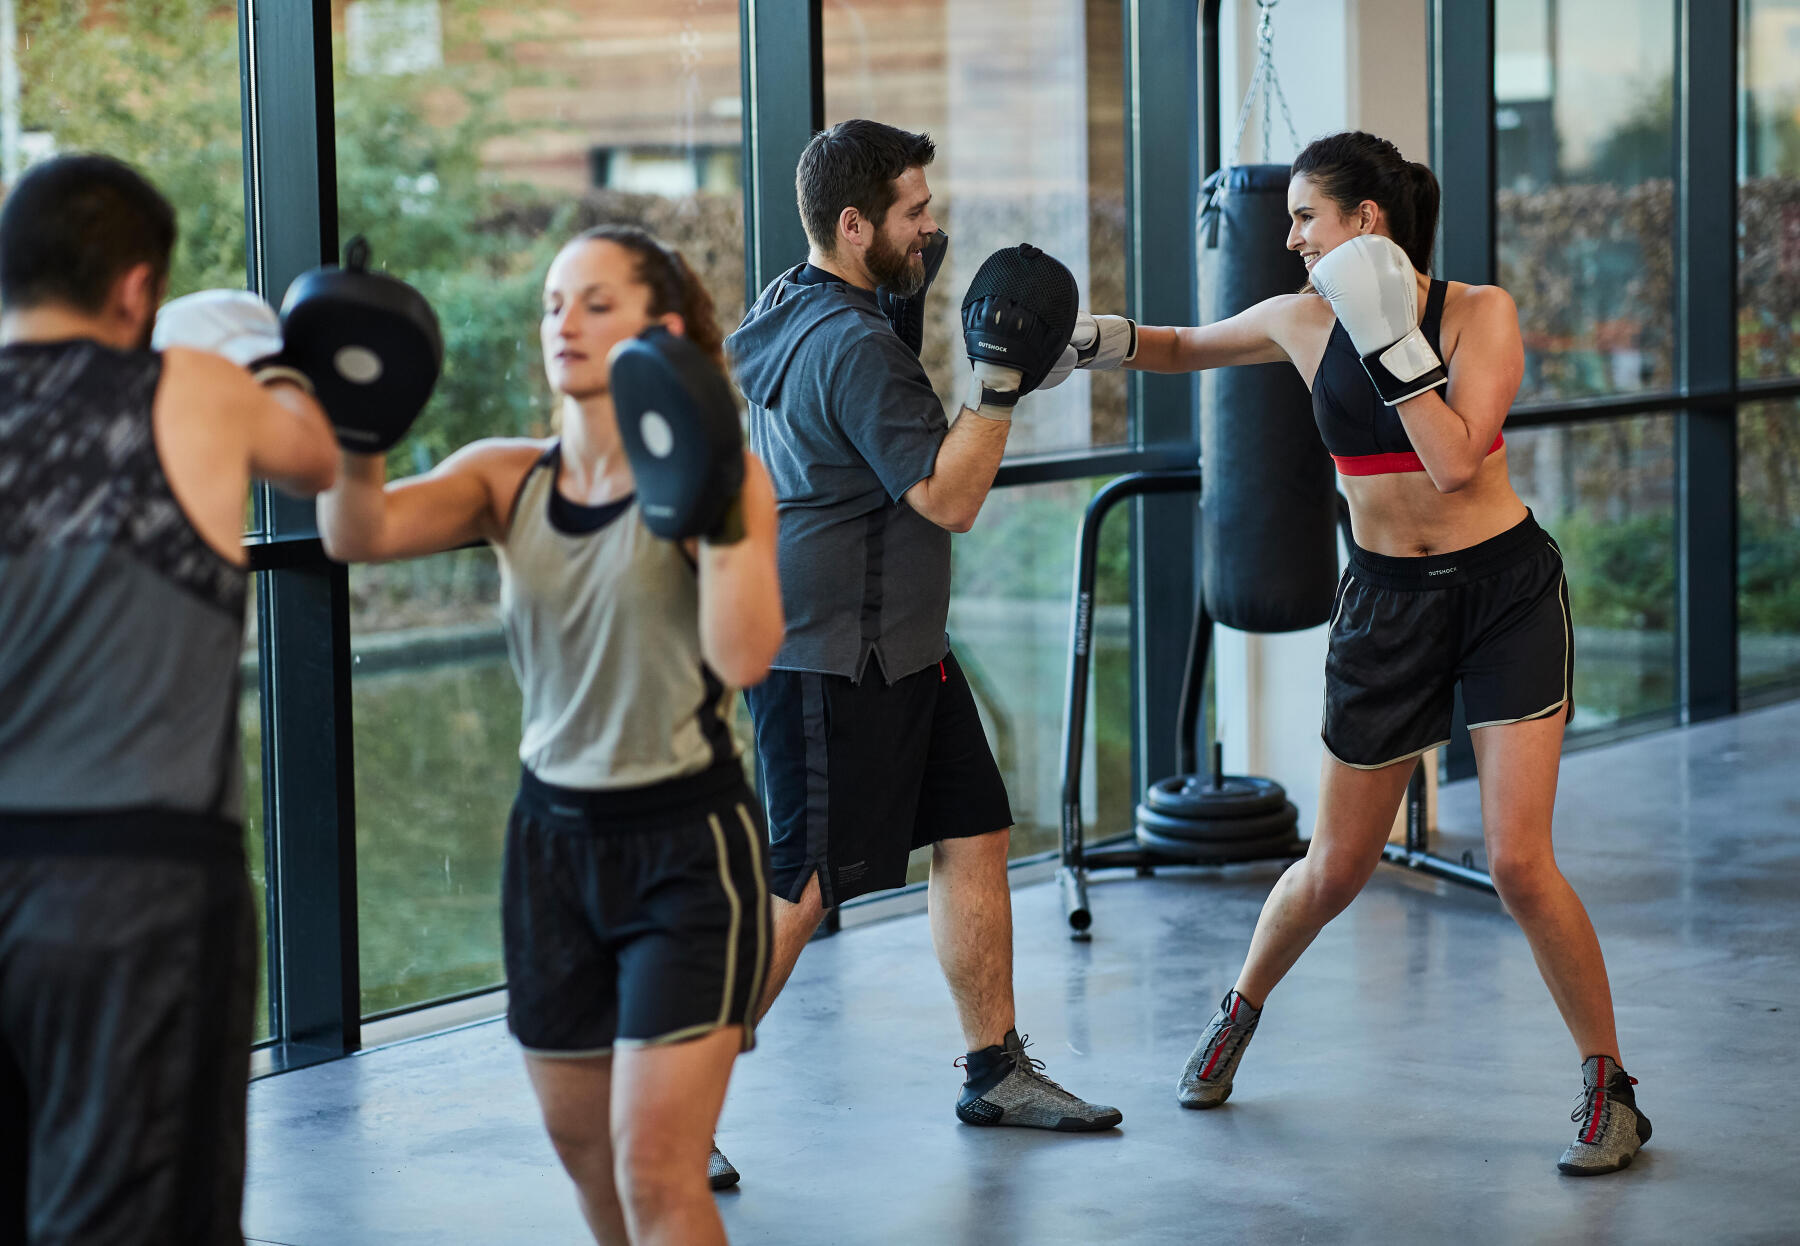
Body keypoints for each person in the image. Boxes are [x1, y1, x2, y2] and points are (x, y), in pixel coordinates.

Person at [1064, 129, 1648, 1176]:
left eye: (1304, 218)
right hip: (1385, 603)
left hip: (1503, 591)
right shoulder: (1299, 321)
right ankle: (1238, 1011)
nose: (1288, 239)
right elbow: (1185, 345)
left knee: (1519, 860)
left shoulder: (1481, 313)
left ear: (1363, 223)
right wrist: (1082, 337)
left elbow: (1458, 461)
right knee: (1337, 864)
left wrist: (1389, 336)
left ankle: (1610, 1085)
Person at [316, 224, 782, 1246]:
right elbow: (358, 532)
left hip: (688, 848)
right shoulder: (505, 477)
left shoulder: (728, 477)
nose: (562, 321)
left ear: (660, 331)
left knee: (659, 1171)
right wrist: (357, 423)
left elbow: (745, 656)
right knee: (592, 1170)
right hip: (550, 847)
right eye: (550, 302)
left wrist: (709, 504)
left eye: (594, 301)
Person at [718, 118, 1120, 1186]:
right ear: (853, 225)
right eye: (912, 212)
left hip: (901, 644)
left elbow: (861, 403)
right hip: (834, 654)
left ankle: (995, 1068)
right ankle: (668, 1100)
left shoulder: (804, 303)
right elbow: (949, 494)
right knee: (799, 888)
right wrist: (996, 379)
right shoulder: (852, 347)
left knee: (974, 830)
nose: (930, 226)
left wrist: (910, 297)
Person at [0, 154, 339, 1243]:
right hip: (133, 887)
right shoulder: (189, 388)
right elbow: (313, 456)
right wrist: (263, 354)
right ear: (137, 288)